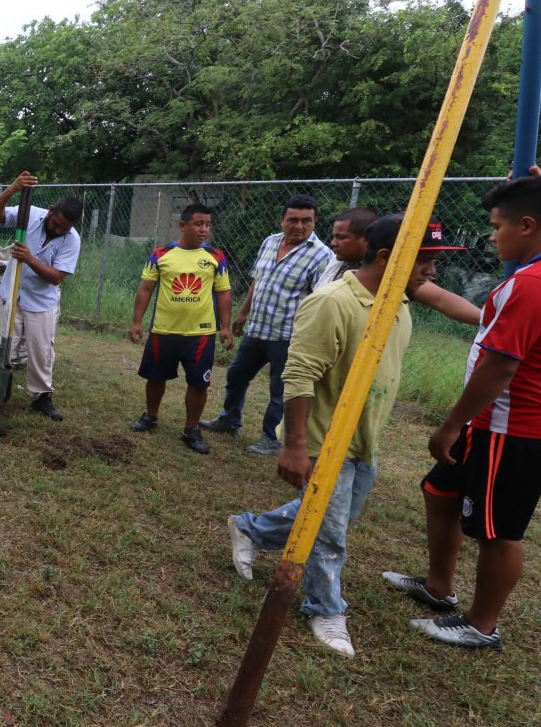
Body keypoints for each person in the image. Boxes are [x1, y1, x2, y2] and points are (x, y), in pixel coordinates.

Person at [226, 215, 460, 656]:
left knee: (333, 517)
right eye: (424, 261)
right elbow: (298, 375)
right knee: (331, 534)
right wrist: (296, 445)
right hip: (323, 439)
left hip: (363, 439)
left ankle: (251, 529)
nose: (432, 271)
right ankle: (325, 607)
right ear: (387, 257)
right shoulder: (331, 302)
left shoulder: (397, 303)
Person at [384, 176, 541, 651]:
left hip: (511, 427)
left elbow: (499, 367)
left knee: (499, 531)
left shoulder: (530, 284)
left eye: (496, 226)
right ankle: (439, 587)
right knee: (440, 489)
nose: (492, 236)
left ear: (527, 226)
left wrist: (451, 424)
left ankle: (481, 625)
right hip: (490, 420)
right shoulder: (530, 275)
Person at [201, 195, 334, 456]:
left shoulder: (322, 256)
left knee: (280, 390)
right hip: (258, 328)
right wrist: (243, 313)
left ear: (315, 221)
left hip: (289, 336)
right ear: (282, 220)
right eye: (293, 220)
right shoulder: (270, 241)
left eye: (306, 220)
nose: (299, 226)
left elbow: (321, 300)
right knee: (236, 375)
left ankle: (271, 438)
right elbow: (257, 280)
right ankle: (230, 420)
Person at [0, 171, 82, 421]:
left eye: (64, 228)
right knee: (1, 347)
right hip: (12, 295)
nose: (58, 230)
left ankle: (42, 397)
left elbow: (56, 277)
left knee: (42, 352)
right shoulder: (29, 214)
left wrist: (29, 258)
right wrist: (13, 188)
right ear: (51, 210)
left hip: (41, 303)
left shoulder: (72, 240)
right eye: (56, 224)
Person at [128, 203, 234, 454]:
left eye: (207, 224)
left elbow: (224, 292)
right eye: (199, 224)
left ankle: (191, 429)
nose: (204, 229)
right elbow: (145, 288)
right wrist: (137, 322)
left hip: (200, 334)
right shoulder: (161, 254)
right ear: (183, 226)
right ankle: (150, 416)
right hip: (163, 331)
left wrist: (226, 327)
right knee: (155, 377)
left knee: (199, 383)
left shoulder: (216, 257)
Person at [317, 206, 480, 324]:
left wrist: (488, 321)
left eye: (341, 237)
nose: (333, 243)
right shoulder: (338, 263)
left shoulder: (394, 275)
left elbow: (442, 299)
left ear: (366, 239)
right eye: (335, 236)